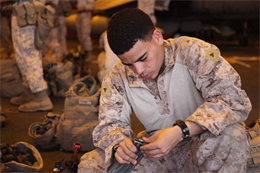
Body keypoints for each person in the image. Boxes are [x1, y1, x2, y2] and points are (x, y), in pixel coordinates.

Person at [78, 8, 252, 172]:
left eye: (143, 58)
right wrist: (119, 144)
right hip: (155, 152)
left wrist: (180, 131)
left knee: (233, 136)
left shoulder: (192, 51)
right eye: (128, 64)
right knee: (91, 164)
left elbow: (232, 99)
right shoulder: (118, 75)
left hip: (201, 145)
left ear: (157, 37)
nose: (138, 70)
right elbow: (109, 124)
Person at [10, 0, 53, 112]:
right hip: (23, 11)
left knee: (28, 55)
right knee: (22, 55)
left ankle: (41, 96)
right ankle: (29, 90)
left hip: (26, 11)